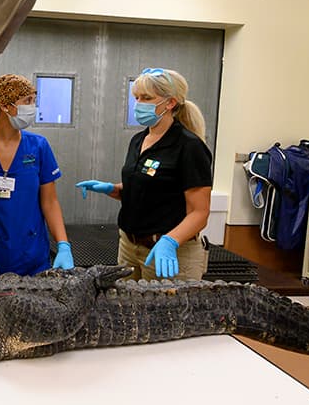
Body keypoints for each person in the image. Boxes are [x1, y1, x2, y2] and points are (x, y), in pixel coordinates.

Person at [76, 67, 212, 281]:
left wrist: (170, 241)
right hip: (129, 247)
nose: (138, 103)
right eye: (136, 97)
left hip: (168, 253)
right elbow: (146, 189)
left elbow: (199, 212)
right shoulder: (138, 140)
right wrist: (113, 189)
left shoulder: (189, 146)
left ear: (170, 103)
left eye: (146, 98)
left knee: (167, 313)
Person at [0, 73, 74, 276]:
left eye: (34, 101)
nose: (33, 108)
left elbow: (50, 202)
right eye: (27, 101)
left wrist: (63, 244)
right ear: (5, 106)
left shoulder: (38, 147)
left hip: (34, 256)